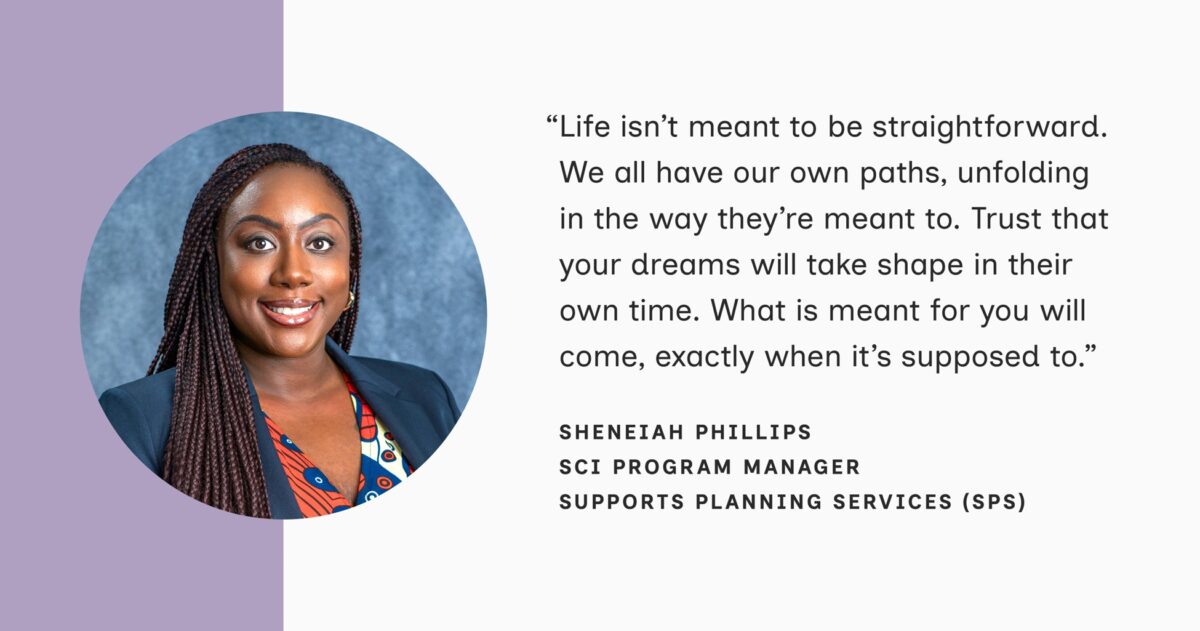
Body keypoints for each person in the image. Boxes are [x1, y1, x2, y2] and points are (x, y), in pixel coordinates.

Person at [99, 144, 460, 518]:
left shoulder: (426, 396)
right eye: (260, 243)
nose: (293, 273)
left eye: (319, 243)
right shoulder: (141, 419)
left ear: (349, 267)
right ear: (215, 267)